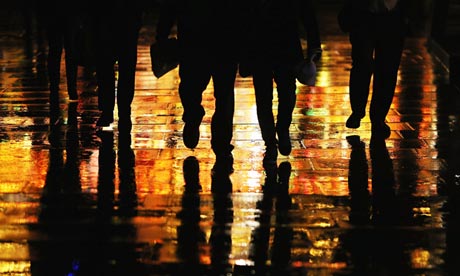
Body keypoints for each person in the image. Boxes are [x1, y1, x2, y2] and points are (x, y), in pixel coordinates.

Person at [155, 0, 240, 167]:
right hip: (224, 41)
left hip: (194, 41)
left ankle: (194, 116)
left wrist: (162, 34)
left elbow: (170, 7)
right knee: (224, 96)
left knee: (191, 88)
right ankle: (221, 145)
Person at [243, 0, 307, 167]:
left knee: (280, 93)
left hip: (278, 43)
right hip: (264, 44)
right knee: (270, 95)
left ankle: (279, 131)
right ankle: (271, 140)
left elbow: (305, 8)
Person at [344, 0, 409, 138]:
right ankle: (359, 111)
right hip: (365, 16)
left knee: (387, 69)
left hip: (392, 18)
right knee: (363, 64)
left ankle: (377, 117)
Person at [93, 0, 143, 139]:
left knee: (106, 69)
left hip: (108, 21)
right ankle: (122, 111)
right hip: (124, 21)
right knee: (124, 69)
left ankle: (109, 110)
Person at [40, 0, 82, 124]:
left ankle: (55, 86)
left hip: (54, 12)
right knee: (70, 51)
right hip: (68, 12)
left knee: (55, 51)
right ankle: (71, 88)